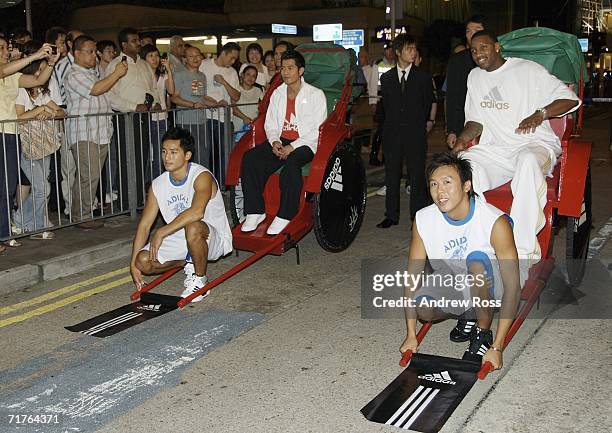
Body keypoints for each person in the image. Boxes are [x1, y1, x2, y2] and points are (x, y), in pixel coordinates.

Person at [453, 30, 580, 262]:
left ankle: (523, 249)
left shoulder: (528, 70)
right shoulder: (474, 77)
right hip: (497, 150)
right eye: (473, 50)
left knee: (527, 161)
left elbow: (570, 99)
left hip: (534, 145)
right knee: (464, 166)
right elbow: (475, 121)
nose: (478, 54)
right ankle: (478, 238)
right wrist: (462, 139)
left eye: (484, 47)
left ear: (497, 46)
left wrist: (541, 114)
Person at [399, 152, 521, 370]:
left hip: (491, 286)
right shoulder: (423, 219)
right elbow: (412, 275)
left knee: (475, 261)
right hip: (455, 283)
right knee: (423, 308)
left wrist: (498, 347)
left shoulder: (494, 222)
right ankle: (467, 313)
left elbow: (513, 286)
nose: (440, 190)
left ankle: (482, 332)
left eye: (447, 182)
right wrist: (410, 334)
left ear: (466, 186)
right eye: (434, 184)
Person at [130, 127, 233, 302]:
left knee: (193, 226)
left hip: (212, 237)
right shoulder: (157, 185)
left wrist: (161, 232)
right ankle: (187, 261)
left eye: (173, 152)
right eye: (164, 152)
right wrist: (133, 264)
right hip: (180, 237)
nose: (167, 157)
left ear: (187, 155)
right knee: (143, 261)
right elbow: (145, 226)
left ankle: (200, 280)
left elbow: (197, 212)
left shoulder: (201, 176)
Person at [240, 50, 327, 235]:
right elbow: (270, 123)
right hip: (281, 139)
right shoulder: (277, 93)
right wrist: (275, 142)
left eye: (290, 68)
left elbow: (317, 131)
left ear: (301, 70)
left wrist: (292, 147)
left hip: (306, 143)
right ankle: (255, 211)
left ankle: (286, 214)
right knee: (250, 158)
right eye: (282, 68)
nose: (285, 72)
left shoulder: (315, 94)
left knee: (292, 164)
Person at [0, 37, 58, 249]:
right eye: (1, 48)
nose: (6, 51)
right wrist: (35, 55)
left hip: (11, 133)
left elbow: (37, 81)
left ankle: (5, 232)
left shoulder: (13, 76)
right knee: (1, 186)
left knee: (8, 186)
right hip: (0, 132)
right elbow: (3, 71)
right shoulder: (5, 72)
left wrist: (50, 63)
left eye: (6, 47)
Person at [65, 35, 128, 229]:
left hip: (100, 131)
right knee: (88, 175)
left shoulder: (92, 73)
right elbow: (96, 90)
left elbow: (105, 94)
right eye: (90, 51)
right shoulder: (74, 74)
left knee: (91, 176)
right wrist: (116, 74)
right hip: (85, 132)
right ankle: (81, 216)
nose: (94, 55)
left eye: (94, 51)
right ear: (77, 53)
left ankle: (84, 212)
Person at [376, 34, 433, 229]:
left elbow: (427, 104)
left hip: (415, 133)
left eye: (415, 49)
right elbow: (384, 108)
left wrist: (422, 123)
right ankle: (391, 215)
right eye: (409, 49)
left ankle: (416, 217)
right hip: (392, 134)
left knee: (416, 176)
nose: (413, 53)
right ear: (398, 52)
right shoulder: (387, 78)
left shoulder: (423, 77)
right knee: (391, 175)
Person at [14, 41, 65, 238]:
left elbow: (62, 112)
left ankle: (24, 221)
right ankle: (31, 224)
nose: (43, 75)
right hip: (28, 146)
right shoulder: (21, 91)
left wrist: (52, 111)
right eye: (41, 70)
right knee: (41, 188)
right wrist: (40, 110)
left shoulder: (43, 92)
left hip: (44, 144)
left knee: (43, 187)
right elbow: (19, 117)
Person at [107, 27, 161, 205]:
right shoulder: (115, 65)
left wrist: (154, 102)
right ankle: (126, 200)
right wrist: (132, 106)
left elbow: (152, 88)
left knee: (142, 157)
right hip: (125, 116)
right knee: (127, 158)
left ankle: (137, 199)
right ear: (124, 44)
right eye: (134, 41)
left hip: (144, 116)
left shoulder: (144, 64)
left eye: (138, 40)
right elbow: (110, 95)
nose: (138, 43)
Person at [198, 42, 241, 182]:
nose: (233, 61)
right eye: (231, 58)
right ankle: (206, 183)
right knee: (207, 153)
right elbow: (198, 90)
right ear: (223, 53)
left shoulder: (232, 72)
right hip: (207, 116)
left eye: (235, 59)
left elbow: (236, 96)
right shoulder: (204, 65)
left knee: (225, 154)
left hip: (224, 118)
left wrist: (224, 82)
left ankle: (222, 185)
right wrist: (210, 101)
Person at [171, 46, 217, 167]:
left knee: (204, 153)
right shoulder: (180, 74)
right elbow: (174, 97)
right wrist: (192, 105)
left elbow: (202, 97)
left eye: (197, 55)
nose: (195, 58)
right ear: (185, 59)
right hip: (186, 121)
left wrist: (216, 103)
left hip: (202, 120)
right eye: (191, 56)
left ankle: (203, 180)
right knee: (188, 154)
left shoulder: (202, 76)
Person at [445, 15, 485, 150]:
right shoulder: (457, 61)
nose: (472, 34)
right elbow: (452, 97)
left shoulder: (498, 60)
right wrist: (452, 130)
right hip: (464, 127)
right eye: (468, 31)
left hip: (492, 127)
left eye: (477, 30)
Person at [140, 44, 176, 180]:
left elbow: (171, 91)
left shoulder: (163, 75)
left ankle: (158, 181)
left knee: (160, 153)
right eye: (150, 56)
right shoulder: (142, 75)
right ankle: (146, 182)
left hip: (162, 118)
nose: (154, 59)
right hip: (147, 119)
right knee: (147, 154)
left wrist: (169, 71)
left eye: (156, 55)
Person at [369, 41, 396, 167]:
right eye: (387, 50)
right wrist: (373, 102)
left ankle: (386, 157)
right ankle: (374, 155)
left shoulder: (396, 64)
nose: (389, 52)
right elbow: (373, 84)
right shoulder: (378, 64)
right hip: (381, 100)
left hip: (393, 101)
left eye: (391, 50)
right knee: (381, 130)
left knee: (390, 130)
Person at [232, 65, 263, 136]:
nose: (250, 78)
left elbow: (262, 108)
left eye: (253, 76)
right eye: (248, 74)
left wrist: (256, 120)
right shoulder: (235, 89)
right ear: (242, 75)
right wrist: (245, 118)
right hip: (237, 128)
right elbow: (233, 108)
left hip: (253, 128)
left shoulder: (258, 90)